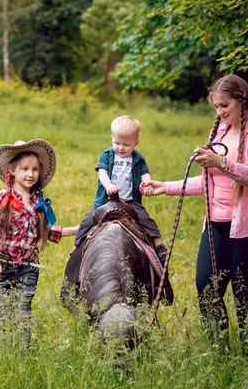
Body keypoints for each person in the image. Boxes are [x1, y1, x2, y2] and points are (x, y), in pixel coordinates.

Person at [149, 74, 248, 353]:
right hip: (217, 226)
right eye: (216, 108)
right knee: (206, 290)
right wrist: (165, 187)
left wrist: (220, 161)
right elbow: (210, 183)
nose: (219, 112)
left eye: (224, 106)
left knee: (245, 296)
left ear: (241, 101)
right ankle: (220, 353)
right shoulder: (221, 132)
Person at [61, 115, 173, 312]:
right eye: (117, 143)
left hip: (130, 202)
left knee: (148, 222)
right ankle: (77, 249)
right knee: (88, 222)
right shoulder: (107, 155)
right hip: (105, 201)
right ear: (112, 138)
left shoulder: (138, 159)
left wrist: (146, 184)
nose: (121, 148)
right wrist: (109, 185)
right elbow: (102, 173)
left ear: (136, 143)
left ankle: (158, 247)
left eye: (126, 144)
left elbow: (145, 174)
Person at [0, 139, 78, 347]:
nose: (30, 174)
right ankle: (3, 350)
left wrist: (80, 229)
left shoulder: (38, 202)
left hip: (28, 266)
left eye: (34, 169)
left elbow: (48, 232)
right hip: (4, 265)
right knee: (3, 310)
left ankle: (22, 351)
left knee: (24, 309)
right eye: (24, 169)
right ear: (12, 170)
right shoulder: (2, 199)